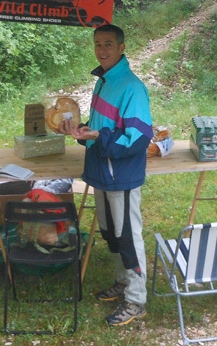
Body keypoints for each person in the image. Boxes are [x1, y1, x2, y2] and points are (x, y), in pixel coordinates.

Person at [58, 24, 153, 326]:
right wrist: (84, 131)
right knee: (110, 233)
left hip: (121, 175)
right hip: (101, 172)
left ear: (122, 48)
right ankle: (123, 282)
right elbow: (103, 127)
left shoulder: (131, 86)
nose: (102, 49)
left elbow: (138, 137)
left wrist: (101, 136)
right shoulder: (103, 80)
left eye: (108, 44)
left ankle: (137, 300)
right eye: (98, 43)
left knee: (128, 236)